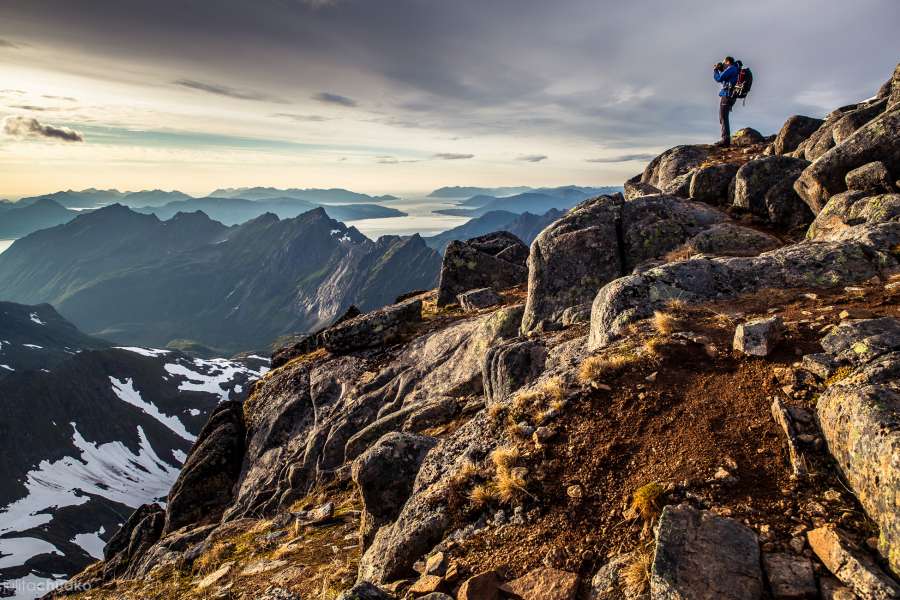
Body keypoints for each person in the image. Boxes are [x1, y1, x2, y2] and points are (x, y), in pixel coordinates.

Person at [713, 56, 740, 147]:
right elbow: (724, 81)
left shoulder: (731, 68)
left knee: (723, 117)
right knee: (723, 116)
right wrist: (721, 70)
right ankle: (725, 139)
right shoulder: (734, 69)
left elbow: (719, 78)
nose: (723, 64)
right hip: (730, 95)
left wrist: (716, 70)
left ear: (728, 62)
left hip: (728, 95)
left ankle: (725, 140)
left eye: (724, 62)